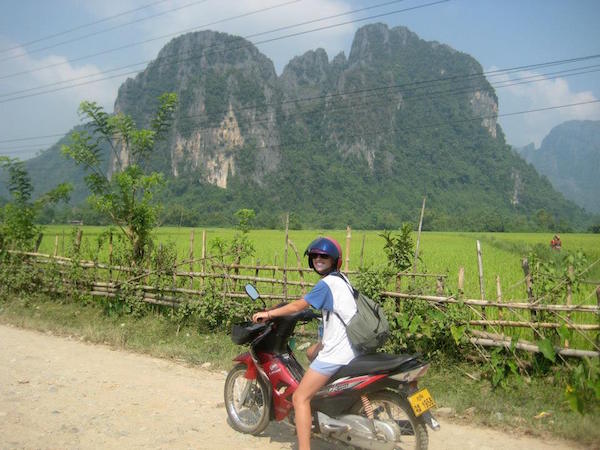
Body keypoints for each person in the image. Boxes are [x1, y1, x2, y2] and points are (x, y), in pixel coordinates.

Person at [252, 236, 357, 450]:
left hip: (338, 352)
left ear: (334, 260)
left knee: (300, 397)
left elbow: (298, 306)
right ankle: (325, 408)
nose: (318, 259)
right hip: (350, 345)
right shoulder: (342, 280)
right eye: (315, 256)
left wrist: (269, 314)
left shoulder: (326, 284)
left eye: (324, 256)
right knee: (310, 353)